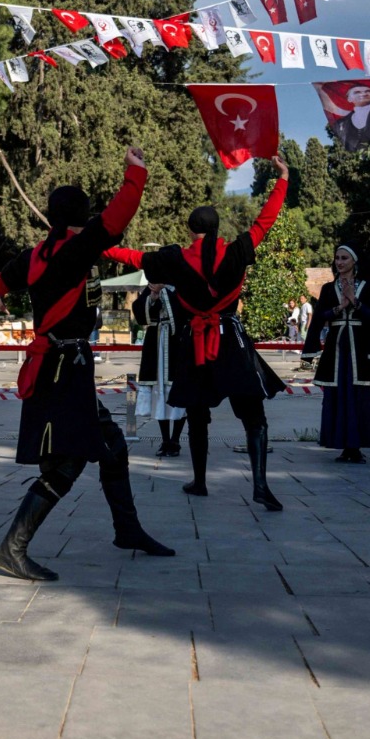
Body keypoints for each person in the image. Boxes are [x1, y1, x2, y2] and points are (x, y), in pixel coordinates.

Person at [0, 148, 172, 581]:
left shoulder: (32, 256)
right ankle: (12, 549)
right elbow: (117, 218)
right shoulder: (76, 249)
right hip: (63, 368)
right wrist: (136, 171)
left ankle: (128, 530)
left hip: (60, 365)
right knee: (67, 463)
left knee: (112, 444)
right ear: (80, 217)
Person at [106, 156, 289, 506]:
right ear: (217, 229)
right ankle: (261, 485)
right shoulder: (237, 251)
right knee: (254, 416)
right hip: (231, 341)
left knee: (198, 416)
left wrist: (95, 244)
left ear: (191, 230)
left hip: (195, 343)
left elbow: (130, 257)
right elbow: (266, 220)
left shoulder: (173, 259)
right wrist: (282, 179)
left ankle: (200, 481)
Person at [307, 246, 370, 464]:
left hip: (360, 348)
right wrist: (339, 308)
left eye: (344, 258)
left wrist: (355, 301)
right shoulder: (329, 288)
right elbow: (321, 316)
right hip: (337, 348)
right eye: (337, 258)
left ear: (354, 261)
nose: (339, 262)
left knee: (359, 395)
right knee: (339, 394)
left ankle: (356, 447)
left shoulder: (367, 287)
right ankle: (342, 445)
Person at [130, 281, 186, 456]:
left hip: (177, 341)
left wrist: (165, 293)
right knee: (159, 392)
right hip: (156, 342)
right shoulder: (152, 285)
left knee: (178, 390)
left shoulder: (182, 284)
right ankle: (165, 439)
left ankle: (176, 439)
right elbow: (140, 314)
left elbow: (184, 310)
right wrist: (152, 298)